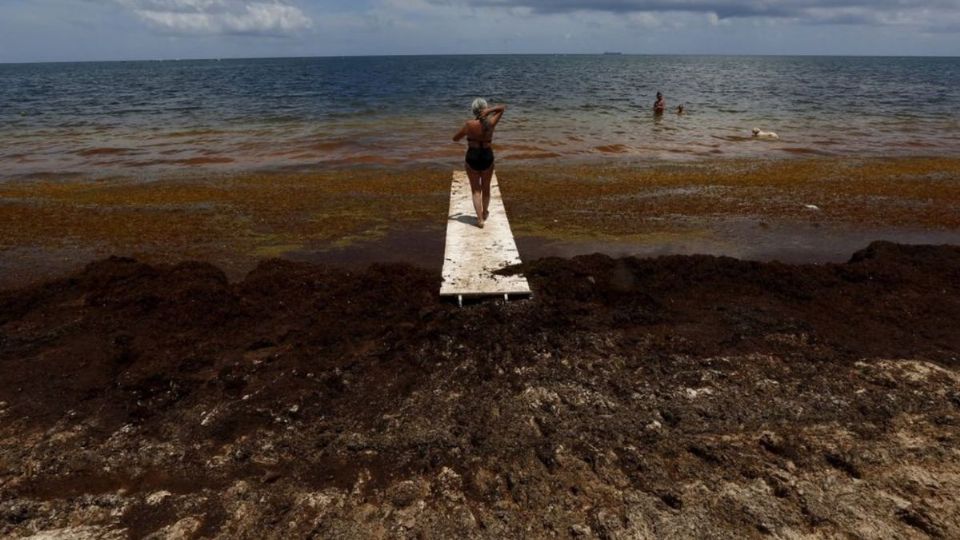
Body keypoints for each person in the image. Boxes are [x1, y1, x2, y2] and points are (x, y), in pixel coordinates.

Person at [453, 98, 507, 228]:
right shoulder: (490, 123)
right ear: (484, 109)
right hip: (487, 156)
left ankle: (479, 219)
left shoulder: (469, 125)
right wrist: (489, 110)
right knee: (486, 188)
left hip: (472, 156)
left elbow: (455, 139)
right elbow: (502, 108)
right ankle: (485, 212)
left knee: (476, 190)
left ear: (473, 111)